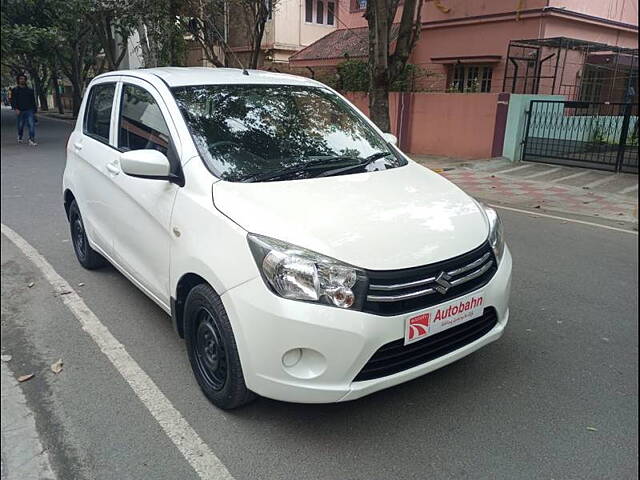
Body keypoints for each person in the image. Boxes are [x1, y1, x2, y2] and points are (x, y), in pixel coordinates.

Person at [10, 74, 38, 146]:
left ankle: (31, 139)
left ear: (25, 80)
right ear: (18, 80)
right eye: (20, 79)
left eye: (23, 79)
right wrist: (15, 108)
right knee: (20, 125)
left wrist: (34, 110)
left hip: (29, 110)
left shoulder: (30, 90)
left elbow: (33, 101)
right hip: (20, 110)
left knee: (31, 125)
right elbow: (13, 100)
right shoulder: (15, 90)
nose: (22, 80)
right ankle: (20, 135)